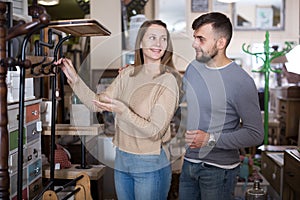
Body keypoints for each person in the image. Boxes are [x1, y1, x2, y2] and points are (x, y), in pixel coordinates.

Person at [55, 20, 182, 200]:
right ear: (140, 42)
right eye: (152, 37)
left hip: (150, 162)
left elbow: (156, 131)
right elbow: (96, 103)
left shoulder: (167, 81)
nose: (158, 44)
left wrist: (123, 111)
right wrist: (74, 78)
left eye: (163, 39)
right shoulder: (127, 74)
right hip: (122, 159)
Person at [178, 12, 264, 200]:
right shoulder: (193, 69)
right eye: (195, 38)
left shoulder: (241, 81)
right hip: (189, 164)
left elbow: (256, 134)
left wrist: (210, 140)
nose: (194, 44)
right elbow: (179, 102)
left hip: (219, 171)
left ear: (220, 43)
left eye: (201, 39)